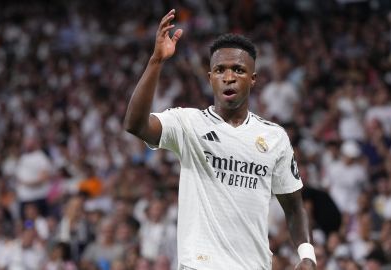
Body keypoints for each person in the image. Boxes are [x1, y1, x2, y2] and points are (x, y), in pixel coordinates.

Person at [124, 9, 316, 270]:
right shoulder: (188, 124)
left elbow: (294, 208)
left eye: (238, 70)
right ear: (210, 78)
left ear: (253, 79)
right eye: (220, 70)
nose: (229, 77)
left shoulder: (275, 138)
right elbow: (135, 124)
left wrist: (307, 254)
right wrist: (156, 61)